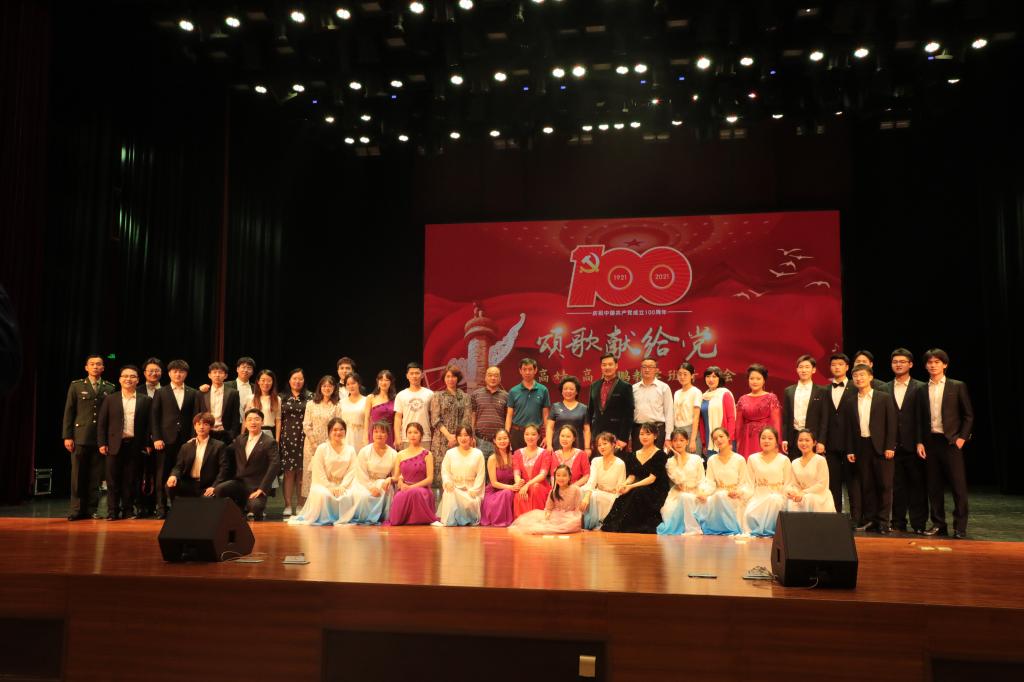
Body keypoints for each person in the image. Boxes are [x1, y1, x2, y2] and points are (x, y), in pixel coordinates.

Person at [916, 349, 974, 539]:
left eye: (937, 362)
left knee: (958, 486)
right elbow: (919, 419)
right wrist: (919, 442)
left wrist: (961, 438)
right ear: (925, 365)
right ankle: (938, 524)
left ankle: (960, 527)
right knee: (934, 487)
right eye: (930, 362)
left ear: (945, 364)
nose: (933, 365)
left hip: (951, 442)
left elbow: (968, 415)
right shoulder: (922, 389)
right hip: (930, 442)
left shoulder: (957, 386)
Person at [62, 354, 117, 520]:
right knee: (78, 475)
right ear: (86, 367)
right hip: (80, 436)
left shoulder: (110, 387)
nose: (95, 367)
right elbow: (69, 412)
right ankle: (76, 509)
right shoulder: (77, 386)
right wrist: (67, 436)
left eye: (98, 364)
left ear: (103, 368)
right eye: (92, 364)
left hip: (100, 439)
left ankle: (91, 509)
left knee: (95, 476)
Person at [847, 363, 898, 533]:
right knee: (867, 485)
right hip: (861, 446)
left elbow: (892, 424)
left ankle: (883, 522)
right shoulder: (851, 401)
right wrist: (850, 449)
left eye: (862, 375)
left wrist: (890, 446)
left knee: (884, 485)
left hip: (882, 447)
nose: (859, 378)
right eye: (855, 376)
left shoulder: (884, 397)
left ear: (870, 377)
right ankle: (871, 520)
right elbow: (849, 429)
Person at [97, 364, 151, 520]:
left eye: (132, 376)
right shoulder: (110, 399)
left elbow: (148, 425)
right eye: (125, 376)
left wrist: (147, 443)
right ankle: (112, 511)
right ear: (120, 379)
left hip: (135, 445)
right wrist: (102, 443)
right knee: (112, 480)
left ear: (138, 380)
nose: (129, 379)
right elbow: (102, 423)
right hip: (113, 445)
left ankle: (128, 510)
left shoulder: (145, 400)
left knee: (131, 480)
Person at [884, 349, 929, 533]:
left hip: (914, 445)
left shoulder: (921, 387)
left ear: (910, 364)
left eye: (902, 361)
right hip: (893, 445)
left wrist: (920, 441)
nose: (898, 364)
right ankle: (898, 523)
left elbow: (923, 418)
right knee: (897, 487)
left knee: (917, 486)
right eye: (895, 361)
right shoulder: (884, 388)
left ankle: (918, 524)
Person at [599, 422, 671, 534]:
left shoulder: (660, 454)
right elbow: (632, 476)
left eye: (648, 434)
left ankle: (633, 526)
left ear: (655, 436)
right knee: (625, 495)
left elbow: (652, 479)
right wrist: (625, 484)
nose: (644, 437)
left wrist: (631, 486)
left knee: (638, 492)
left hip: (656, 489)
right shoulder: (633, 455)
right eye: (642, 434)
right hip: (639, 487)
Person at [289, 417, 359, 526]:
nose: (338, 432)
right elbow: (319, 472)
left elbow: (352, 471)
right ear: (329, 432)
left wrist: (343, 486)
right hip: (324, 484)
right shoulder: (322, 448)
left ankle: (344, 517)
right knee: (323, 494)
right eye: (335, 430)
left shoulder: (350, 450)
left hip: (344, 485)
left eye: (341, 429)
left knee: (353, 493)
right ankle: (326, 518)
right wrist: (330, 486)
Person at [150, 359, 197, 519]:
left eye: (181, 371)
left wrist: (193, 438)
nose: (178, 374)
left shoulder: (193, 392)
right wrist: (156, 438)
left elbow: (195, 417)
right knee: (162, 474)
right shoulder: (160, 392)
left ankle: (180, 508)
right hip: (164, 440)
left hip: (186, 441)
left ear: (186, 374)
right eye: (175, 371)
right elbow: (154, 417)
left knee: (185, 474)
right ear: (169, 373)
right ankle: (161, 508)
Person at [216, 408, 280, 521]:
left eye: (256, 419)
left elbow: (274, 465)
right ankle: (238, 509)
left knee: (255, 507)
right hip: (240, 484)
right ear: (245, 423)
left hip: (257, 486)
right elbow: (224, 449)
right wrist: (199, 440)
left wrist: (262, 488)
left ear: (262, 422)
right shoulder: (240, 439)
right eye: (249, 419)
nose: (253, 422)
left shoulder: (269, 442)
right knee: (219, 490)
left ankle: (248, 508)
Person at [694, 428, 751, 536]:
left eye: (721, 436)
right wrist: (704, 493)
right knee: (715, 497)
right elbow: (710, 482)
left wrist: (738, 492)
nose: (718, 440)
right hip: (718, 495)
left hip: (734, 495)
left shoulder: (739, 459)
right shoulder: (712, 460)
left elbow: (744, 482)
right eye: (715, 438)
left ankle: (732, 527)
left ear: (728, 437)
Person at [823, 353, 858, 517]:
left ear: (847, 367)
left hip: (851, 442)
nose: (837, 367)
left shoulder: (855, 387)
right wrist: (821, 440)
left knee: (853, 482)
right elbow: (823, 417)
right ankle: (835, 516)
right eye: (834, 365)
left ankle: (856, 517)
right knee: (833, 482)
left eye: (840, 364)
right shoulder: (825, 389)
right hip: (831, 443)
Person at [429, 365, 472, 499]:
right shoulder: (438, 396)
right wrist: (449, 436)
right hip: (441, 440)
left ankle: (456, 503)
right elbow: (435, 419)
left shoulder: (465, 397)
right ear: (444, 378)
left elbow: (466, 419)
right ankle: (438, 504)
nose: (450, 379)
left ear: (457, 378)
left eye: (453, 376)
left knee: (457, 472)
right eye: (447, 376)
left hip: (461, 440)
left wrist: (458, 438)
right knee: (440, 473)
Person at [743, 427, 794, 537]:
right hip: (758, 498)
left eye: (770, 438)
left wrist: (789, 493)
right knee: (749, 512)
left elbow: (788, 483)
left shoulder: (784, 460)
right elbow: (748, 483)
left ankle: (771, 532)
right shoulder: (752, 459)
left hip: (778, 498)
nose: (766, 441)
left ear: (776, 441)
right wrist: (741, 493)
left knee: (774, 499)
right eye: (763, 438)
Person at [166, 413, 228, 502]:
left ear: (211, 427)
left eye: (205, 424)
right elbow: (178, 466)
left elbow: (224, 469)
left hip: (208, 485)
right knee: (170, 485)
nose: (201, 427)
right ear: (195, 427)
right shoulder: (186, 446)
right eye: (198, 424)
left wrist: (215, 486)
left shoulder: (219, 446)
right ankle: (176, 509)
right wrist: (173, 476)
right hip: (189, 484)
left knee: (207, 500)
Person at [386, 423, 438, 525]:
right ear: (406, 435)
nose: (412, 435)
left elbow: (429, 479)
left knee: (415, 492)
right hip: (405, 488)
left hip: (422, 489)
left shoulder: (427, 454)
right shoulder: (400, 454)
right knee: (399, 496)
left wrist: (411, 487)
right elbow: (397, 476)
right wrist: (396, 480)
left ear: (421, 435)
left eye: (415, 432)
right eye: (409, 432)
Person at [656, 428, 705, 536]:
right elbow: (679, 481)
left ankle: (694, 528)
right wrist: (678, 460)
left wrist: (701, 492)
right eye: (675, 440)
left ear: (687, 442)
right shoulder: (670, 462)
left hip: (696, 493)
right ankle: (690, 529)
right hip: (678, 494)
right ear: (671, 443)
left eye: (681, 440)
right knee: (676, 505)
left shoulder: (696, 459)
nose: (678, 443)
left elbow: (702, 479)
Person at [509, 465, 584, 535]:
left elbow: (578, 509)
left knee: (572, 523)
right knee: (537, 523)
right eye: (558, 475)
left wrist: (576, 519)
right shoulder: (553, 491)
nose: (561, 478)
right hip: (556, 516)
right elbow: (548, 508)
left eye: (564, 475)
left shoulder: (576, 489)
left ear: (569, 477)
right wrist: (547, 515)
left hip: (570, 516)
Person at [436, 426, 487, 526]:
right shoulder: (450, 453)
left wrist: (474, 490)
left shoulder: (478, 454)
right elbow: (445, 471)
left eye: (466, 435)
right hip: (454, 489)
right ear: (456, 437)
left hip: (471, 491)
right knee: (450, 493)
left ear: (471, 437)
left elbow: (481, 476)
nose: (463, 438)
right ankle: (451, 521)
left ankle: (467, 518)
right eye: (460, 435)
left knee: (469, 501)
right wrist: (447, 482)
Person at [781, 355, 829, 459]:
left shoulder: (822, 391)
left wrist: (821, 441)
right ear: (797, 369)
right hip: (793, 438)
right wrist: (784, 439)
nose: (804, 370)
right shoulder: (789, 391)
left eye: (807, 367)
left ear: (813, 370)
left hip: (813, 438)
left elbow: (824, 419)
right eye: (801, 367)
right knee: (794, 466)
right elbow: (786, 418)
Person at [302, 376, 342, 499]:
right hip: (311, 444)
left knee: (326, 474)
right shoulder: (311, 404)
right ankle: (309, 503)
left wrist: (329, 443)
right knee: (310, 474)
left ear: (334, 388)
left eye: (330, 386)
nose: (327, 388)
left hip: (329, 445)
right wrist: (314, 443)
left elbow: (338, 425)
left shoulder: (336, 405)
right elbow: (306, 424)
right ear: (320, 387)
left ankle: (325, 502)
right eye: (324, 386)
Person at [350, 421, 398, 524]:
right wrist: (371, 487)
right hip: (363, 482)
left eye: (382, 432)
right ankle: (365, 518)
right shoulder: (365, 451)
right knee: (364, 497)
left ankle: (383, 516)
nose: (379, 435)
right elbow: (360, 474)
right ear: (372, 434)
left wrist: (390, 479)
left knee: (386, 487)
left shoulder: (393, 454)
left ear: (387, 435)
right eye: (376, 432)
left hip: (382, 483)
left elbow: (396, 476)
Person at [279, 368, 312, 518]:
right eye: (294, 378)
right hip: (287, 438)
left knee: (301, 473)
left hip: (304, 438)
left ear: (304, 381)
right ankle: (287, 505)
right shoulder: (282, 397)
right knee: (288, 473)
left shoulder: (311, 397)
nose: (297, 381)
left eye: (300, 379)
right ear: (289, 380)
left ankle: (300, 504)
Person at [586, 354, 634, 451]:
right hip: (597, 436)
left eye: (610, 364)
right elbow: (590, 412)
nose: (607, 367)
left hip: (616, 437)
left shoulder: (625, 387)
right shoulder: (594, 386)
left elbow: (628, 414)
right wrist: (590, 437)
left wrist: (623, 438)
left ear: (616, 366)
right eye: (604, 365)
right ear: (601, 366)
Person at [581, 432, 627, 530]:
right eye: (599, 445)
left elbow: (620, 487)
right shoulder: (595, 461)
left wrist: (608, 490)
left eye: (605, 444)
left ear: (613, 444)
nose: (601, 447)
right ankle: (577, 522)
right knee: (581, 492)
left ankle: (592, 524)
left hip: (611, 496)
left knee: (594, 496)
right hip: (596, 491)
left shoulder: (620, 463)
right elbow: (592, 481)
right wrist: (587, 496)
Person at [734, 364, 782, 458]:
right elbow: (738, 425)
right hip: (746, 439)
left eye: (758, 379)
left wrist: (777, 443)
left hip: (765, 438)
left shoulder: (771, 398)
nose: (754, 381)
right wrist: (736, 442)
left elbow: (776, 423)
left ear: (764, 380)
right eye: (752, 378)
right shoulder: (742, 399)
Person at [505, 358, 551, 450]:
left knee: (536, 458)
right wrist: (506, 436)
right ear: (520, 371)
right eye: (524, 369)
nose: (527, 372)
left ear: (535, 370)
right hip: (517, 433)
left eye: (530, 369)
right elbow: (509, 415)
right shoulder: (513, 391)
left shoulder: (543, 390)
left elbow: (546, 415)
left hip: (535, 434)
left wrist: (547, 436)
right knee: (517, 458)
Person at [786, 429, 836, 513]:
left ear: (814, 443)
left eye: (807, 440)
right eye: (800, 440)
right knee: (790, 501)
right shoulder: (794, 462)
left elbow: (822, 485)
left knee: (809, 498)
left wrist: (803, 493)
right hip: (801, 496)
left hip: (819, 496)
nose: (803, 443)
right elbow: (794, 484)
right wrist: (794, 493)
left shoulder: (820, 460)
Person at [480, 429, 520, 527]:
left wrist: (519, 483)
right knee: (508, 493)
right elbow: (494, 483)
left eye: (505, 438)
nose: (502, 441)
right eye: (499, 439)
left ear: (509, 439)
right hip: (494, 491)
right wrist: (511, 487)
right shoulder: (492, 458)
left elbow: (517, 475)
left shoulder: (514, 457)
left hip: (511, 489)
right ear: (494, 441)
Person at [632, 358, 674, 451]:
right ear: (641, 369)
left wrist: (668, 437)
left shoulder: (664, 387)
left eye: (651, 367)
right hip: (638, 430)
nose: (647, 370)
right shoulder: (634, 388)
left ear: (656, 370)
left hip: (657, 430)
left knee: (657, 459)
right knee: (638, 459)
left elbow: (669, 413)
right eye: (644, 367)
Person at [512, 423, 552, 517]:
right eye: (527, 434)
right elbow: (516, 473)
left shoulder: (545, 453)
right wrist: (520, 484)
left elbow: (543, 475)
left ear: (538, 436)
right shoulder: (517, 453)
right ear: (523, 436)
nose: (530, 437)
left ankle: (537, 518)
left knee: (535, 488)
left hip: (540, 485)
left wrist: (528, 485)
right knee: (519, 493)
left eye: (533, 434)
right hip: (524, 486)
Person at [195, 361, 240, 445]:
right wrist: (195, 435)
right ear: (209, 375)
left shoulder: (233, 393)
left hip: (225, 433)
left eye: (220, 372)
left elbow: (235, 416)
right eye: (214, 372)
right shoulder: (202, 393)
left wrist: (233, 435)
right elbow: (196, 414)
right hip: (206, 431)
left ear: (225, 376)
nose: (217, 375)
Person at [393, 362, 434, 449]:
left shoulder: (430, 394)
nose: (414, 376)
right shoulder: (401, 395)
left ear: (422, 375)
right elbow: (398, 417)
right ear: (407, 376)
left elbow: (433, 417)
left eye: (417, 373)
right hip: (406, 437)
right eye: (411, 373)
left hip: (425, 437)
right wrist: (397, 437)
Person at [546, 375, 590, 454]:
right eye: (565, 389)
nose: (568, 391)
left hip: (577, 445)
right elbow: (549, 427)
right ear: (562, 391)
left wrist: (587, 448)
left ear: (576, 392)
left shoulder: (584, 408)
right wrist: (549, 445)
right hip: (558, 446)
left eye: (571, 389)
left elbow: (587, 430)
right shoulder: (555, 407)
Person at [470, 366, 507, 458]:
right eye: (490, 375)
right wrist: (472, 436)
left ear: (500, 378)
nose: (493, 378)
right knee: (481, 467)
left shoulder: (506, 396)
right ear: (485, 377)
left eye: (496, 375)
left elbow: (508, 418)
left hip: (499, 442)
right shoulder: (476, 394)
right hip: (480, 441)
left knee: (498, 467)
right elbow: (473, 416)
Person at [698, 366, 735, 459]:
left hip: (724, 441)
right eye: (708, 376)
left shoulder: (725, 393)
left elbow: (731, 418)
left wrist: (729, 440)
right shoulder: (703, 396)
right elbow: (702, 422)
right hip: (709, 440)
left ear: (720, 378)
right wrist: (704, 443)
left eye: (714, 376)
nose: (711, 379)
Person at [672, 362, 703, 455]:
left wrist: (692, 440)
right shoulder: (677, 393)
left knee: (693, 461)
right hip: (677, 432)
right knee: (679, 461)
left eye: (685, 374)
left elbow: (696, 417)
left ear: (692, 376)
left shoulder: (696, 392)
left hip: (690, 431)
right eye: (680, 374)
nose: (682, 377)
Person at [364, 369, 397, 448]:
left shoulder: (396, 398)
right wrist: (365, 436)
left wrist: (397, 437)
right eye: (381, 380)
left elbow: (397, 420)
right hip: (375, 433)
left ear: (391, 382)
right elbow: (366, 418)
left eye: (386, 380)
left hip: (389, 433)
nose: (383, 382)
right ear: (377, 381)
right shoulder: (371, 397)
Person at [248, 369, 281, 441]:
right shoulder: (251, 398)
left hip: (270, 433)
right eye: (263, 380)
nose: (266, 383)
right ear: (258, 381)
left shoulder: (277, 399)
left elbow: (278, 421)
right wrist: (242, 435)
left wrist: (277, 440)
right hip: (254, 432)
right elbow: (246, 420)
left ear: (272, 382)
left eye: (269, 381)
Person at [224, 356, 256, 422]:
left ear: (252, 372)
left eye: (249, 368)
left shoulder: (256, 388)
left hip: (250, 423)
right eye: (243, 367)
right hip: (231, 423)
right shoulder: (226, 385)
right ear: (237, 369)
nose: (246, 370)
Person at [340, 372, 367, 449]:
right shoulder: (341, 402)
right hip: (345, 438)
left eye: (353, 383)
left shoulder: (366, 400)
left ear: (359, 384)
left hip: (361, 437)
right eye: (348, 384)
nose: (351, 386)